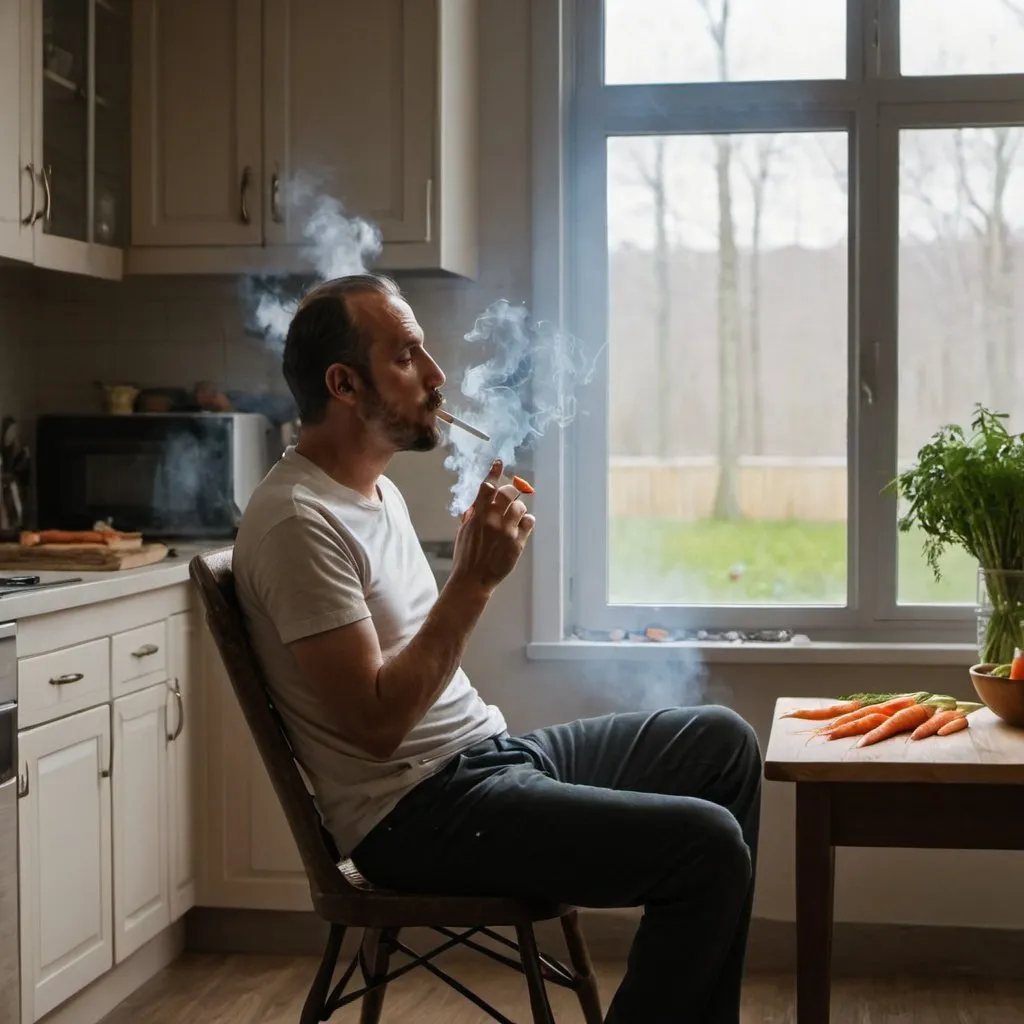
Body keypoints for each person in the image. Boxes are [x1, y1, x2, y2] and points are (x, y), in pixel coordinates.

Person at [232, 273, 763, 1023]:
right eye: (409, 355)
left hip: (483, 764)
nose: (439, 376)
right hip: (416, 815)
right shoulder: (298, 523)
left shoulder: (374, 493)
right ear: (345, 385)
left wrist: (471, 575)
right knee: (706, 847)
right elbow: (376, 728)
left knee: (723, 743)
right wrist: (474, 582)